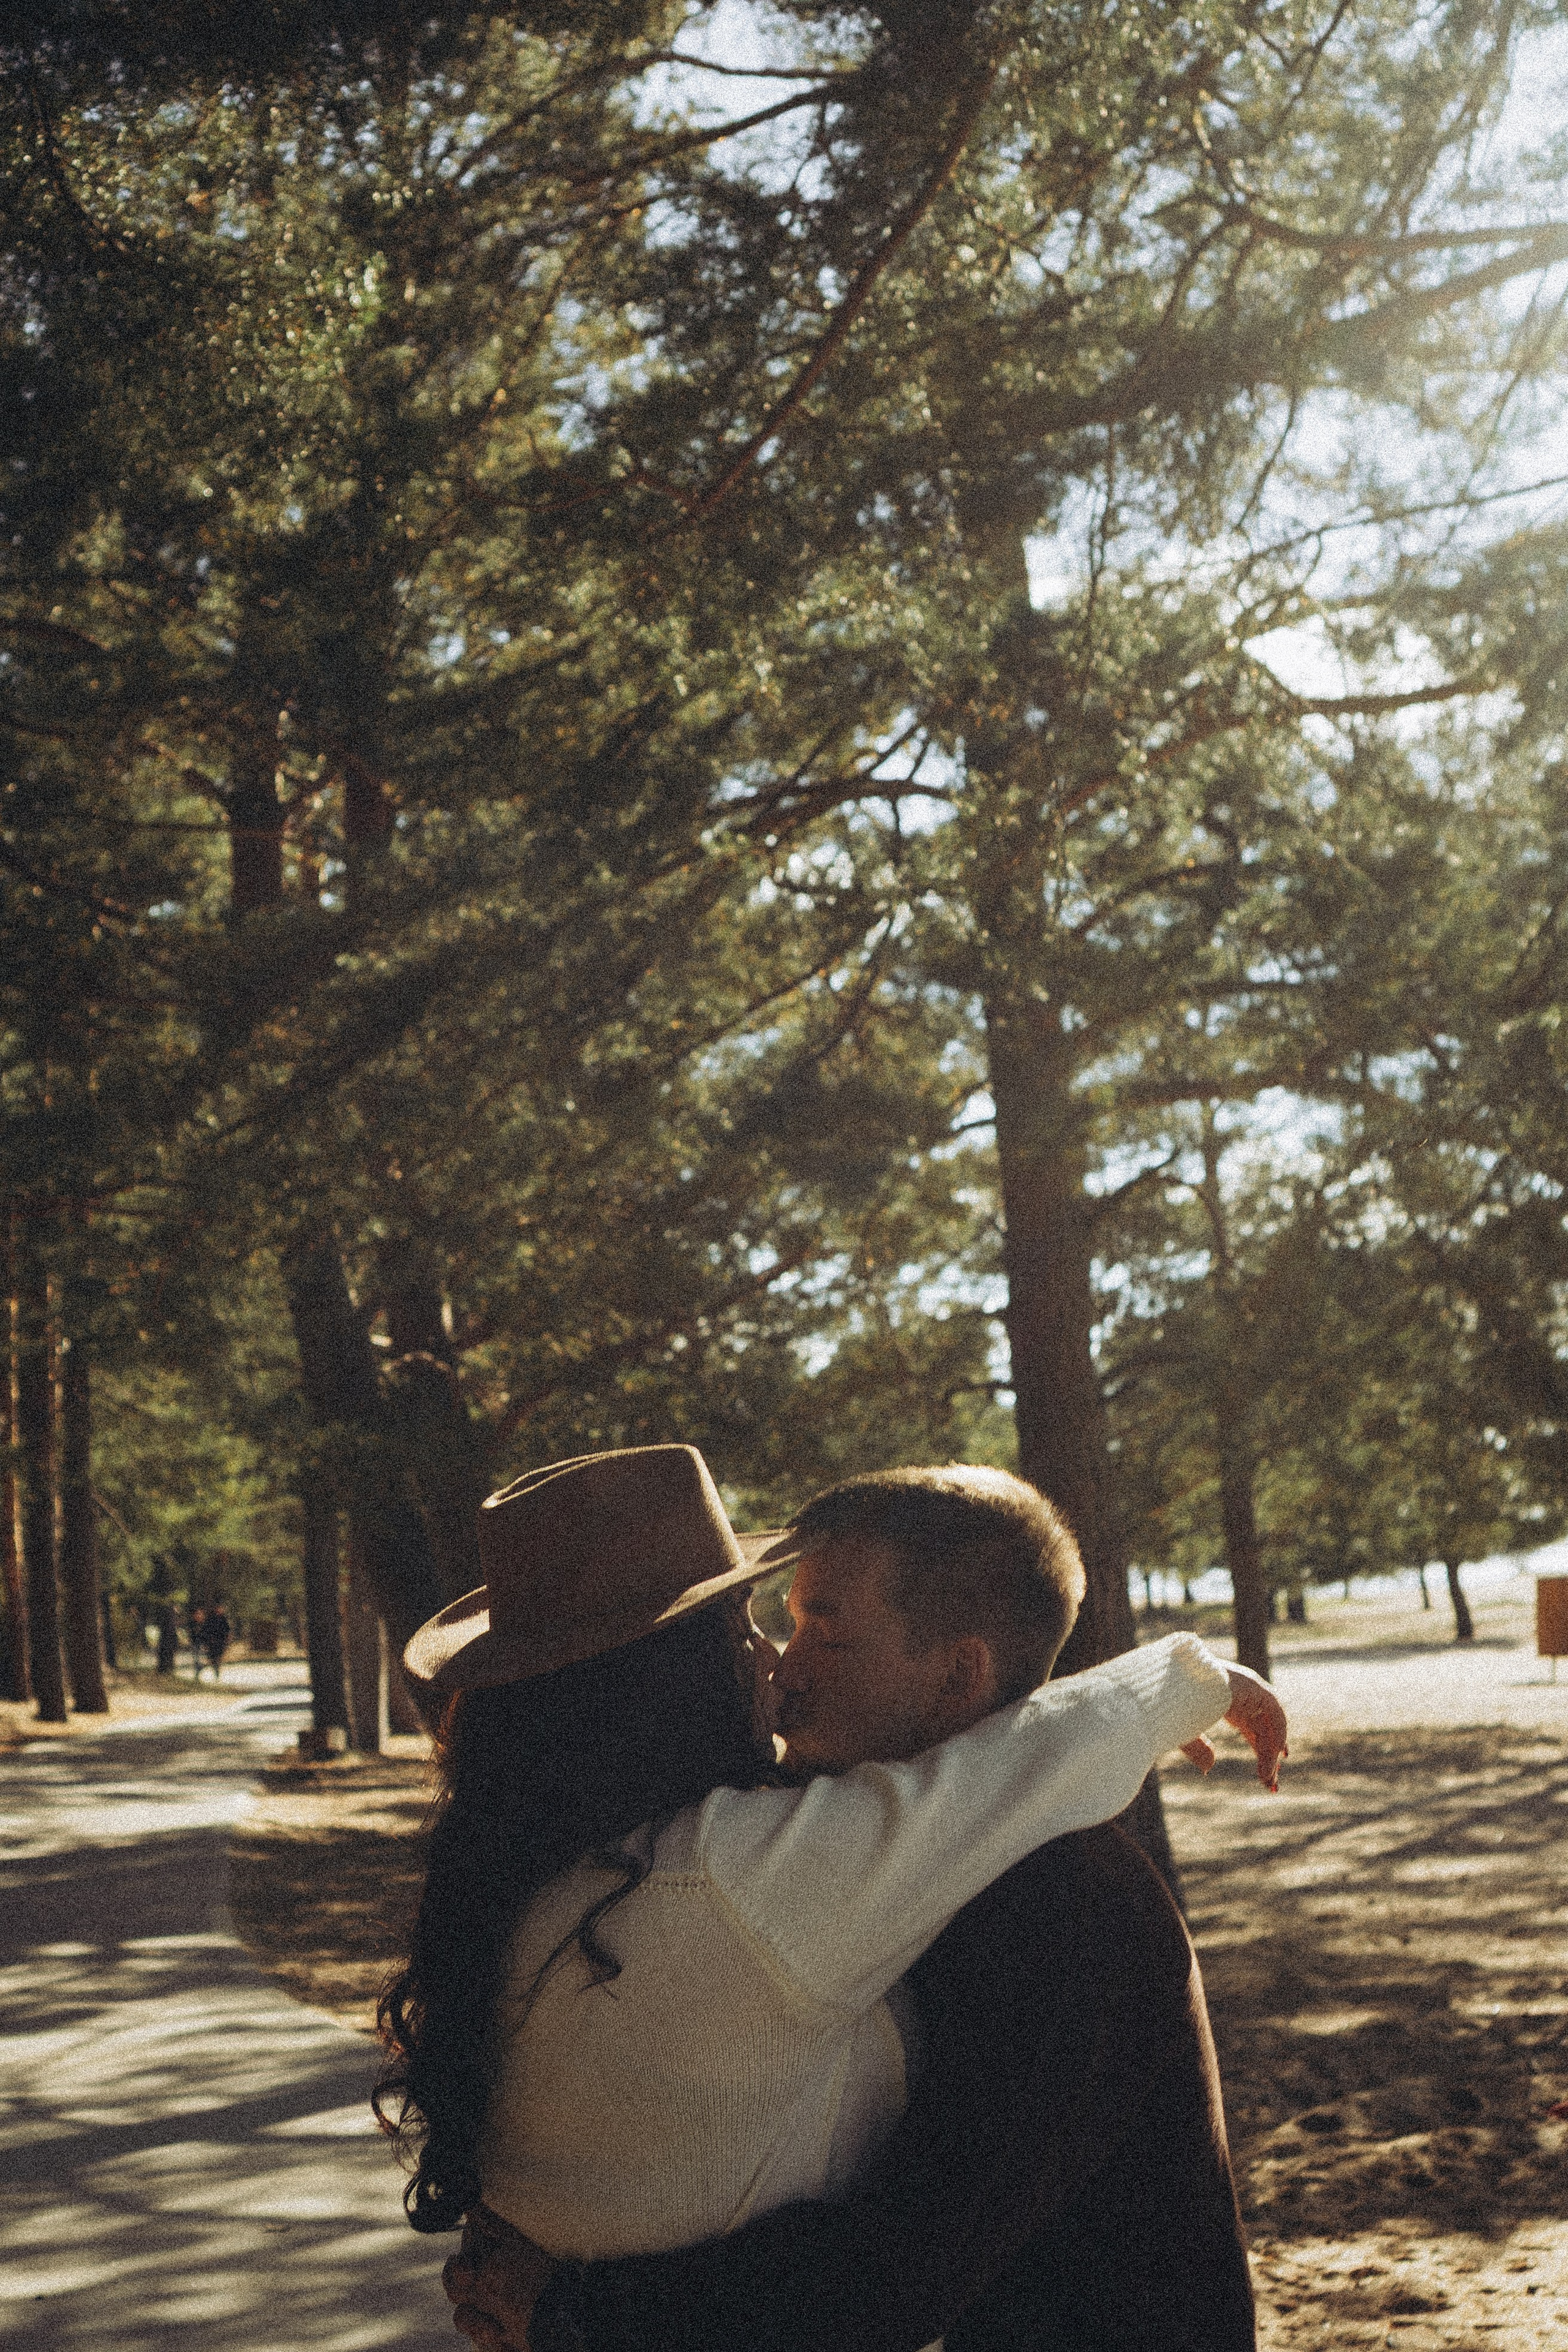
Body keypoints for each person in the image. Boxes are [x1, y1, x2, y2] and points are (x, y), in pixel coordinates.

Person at [380, 1447, 1281, 2335]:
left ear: (960, 1674)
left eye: (824, 1629)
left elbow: (894, 2268)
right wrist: (1189, 1682)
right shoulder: (741, 1872)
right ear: (663, 1688)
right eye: (750, 1631)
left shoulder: (1062, 1899)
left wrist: (567, 2313)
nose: (779, 1664)